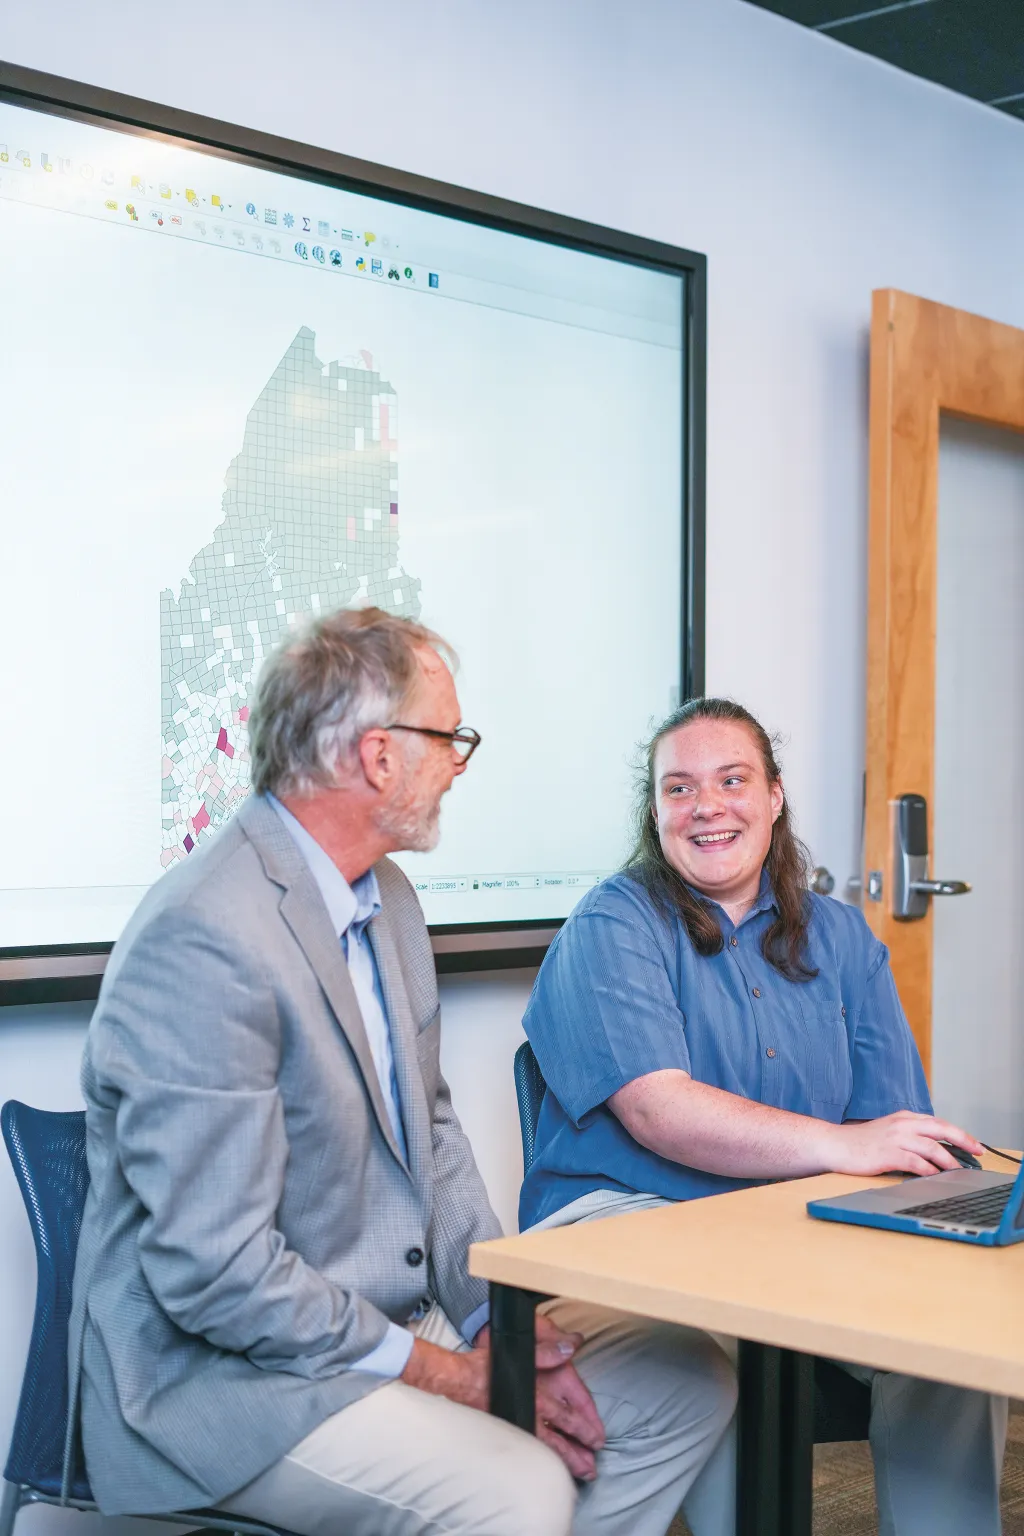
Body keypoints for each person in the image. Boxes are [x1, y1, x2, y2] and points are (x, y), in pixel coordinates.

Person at [67, 609, 736, 1536]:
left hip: (385, 1323)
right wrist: (448, 1374)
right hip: (228, 1384)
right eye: (447, 738)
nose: (457, 765)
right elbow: (216, 1275)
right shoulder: (204, 938)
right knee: (518, 1485)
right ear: (379, 757)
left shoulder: (386, 898)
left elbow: (436, 1130)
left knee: (683, 1382)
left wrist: (489, 1323)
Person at [521, 696, 1008, 1536]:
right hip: (627, 1220)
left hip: (798, 1227)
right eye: (679, 789)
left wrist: (924, 1178)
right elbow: (658, 1111)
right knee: (713, 1357)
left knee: (950, 1353)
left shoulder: (843, 937)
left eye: (732, 780)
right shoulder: (615, 921)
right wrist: (842, 1147)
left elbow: (891, 1123)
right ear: (656, 812)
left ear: (775, 797)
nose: (706, 806)